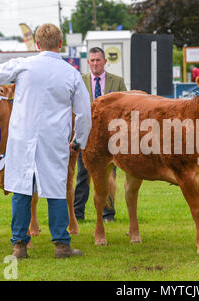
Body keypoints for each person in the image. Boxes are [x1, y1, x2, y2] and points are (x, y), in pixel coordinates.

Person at [0, 23, 91, 259]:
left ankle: (19, 245)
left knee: (21, 189)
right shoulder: (71, 73)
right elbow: (84, 113)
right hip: (54, 139)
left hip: (23, 137)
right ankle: (62, 244)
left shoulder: (24, 64)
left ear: (37, 45)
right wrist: (78, 140)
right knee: (55, 190)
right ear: (60, 44)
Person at [74, 47, 127, 223]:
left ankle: (108, 214)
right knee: (83, 175)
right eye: (92, 60)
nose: (95, 63)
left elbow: (125, 108)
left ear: (105, 62)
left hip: (110, 138)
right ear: (88, 63)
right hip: (87, 136)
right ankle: (78, 213)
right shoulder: (80, 81)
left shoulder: (118, 82)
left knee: (109, 175)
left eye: (98, 60)